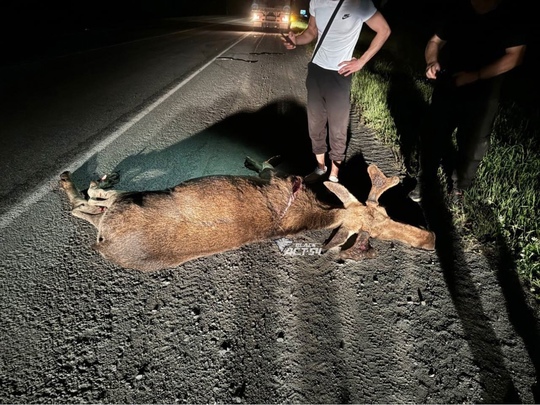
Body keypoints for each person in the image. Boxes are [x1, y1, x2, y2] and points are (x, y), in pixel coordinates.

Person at [409, 0, 527, 202]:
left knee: (474, 143)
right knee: (433, 134)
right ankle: (425, 180)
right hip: (449, 83)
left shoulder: (510, 15)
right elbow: (435, 41)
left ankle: (459, 187)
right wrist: (431, 61)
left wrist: (476, 75)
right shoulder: (457, 9)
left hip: (483, 91)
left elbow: (515, 57)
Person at [283, 0, 391, 183]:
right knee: (315, 125)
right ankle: (320, 167)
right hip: (316, 70)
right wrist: (296, 40)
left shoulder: (359, 3)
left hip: (339, 74)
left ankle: (334, 174)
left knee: (338, 129)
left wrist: (361, 61)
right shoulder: (316, 1)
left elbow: (384, 30)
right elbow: (311, 32)